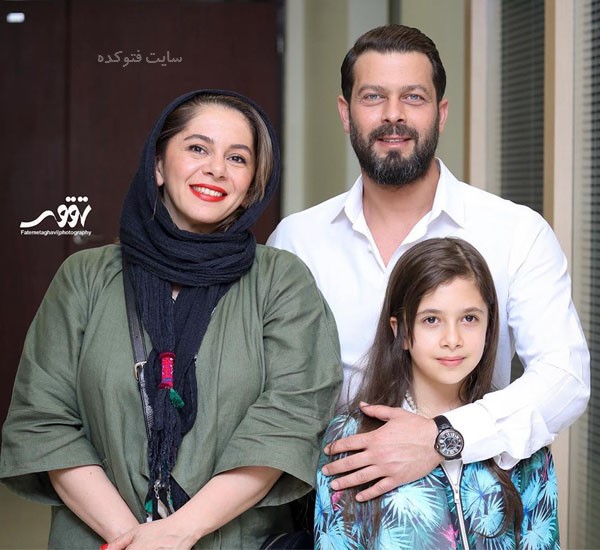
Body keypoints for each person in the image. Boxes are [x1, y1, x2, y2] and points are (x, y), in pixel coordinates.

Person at [0, 89, 342, 549]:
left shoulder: (282, 281)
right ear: (158, 166)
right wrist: (132, 539)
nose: (216, 169)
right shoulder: (84, 277)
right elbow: (44, 421)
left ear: (251, 187)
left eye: (237, 158)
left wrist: (178, 532)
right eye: (198, 148)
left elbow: (289, 421)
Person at [267, 24, 589, 502]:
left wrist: (444, 437)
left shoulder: (516, 232)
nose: (393, 115)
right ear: (345, 113)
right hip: (328, 510)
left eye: (413, 97)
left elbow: (565, 378)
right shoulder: (297, 241)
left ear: (441, 114)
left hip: (469, 507)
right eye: (373, 97)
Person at [314, 237, 559, 549]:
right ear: (401, 331)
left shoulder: (520, 435)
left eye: (469, 318)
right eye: (431, 320)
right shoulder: (352, 438)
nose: (452, 339)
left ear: (489, 327)